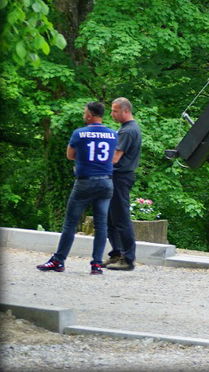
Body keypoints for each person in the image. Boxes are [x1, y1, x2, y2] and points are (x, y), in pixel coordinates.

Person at [36, 101, 117, 274]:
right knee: (101, 225)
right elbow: (113, 157)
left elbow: (70, 155)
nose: (83, 115)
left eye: (84, 112)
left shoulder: (80, 133)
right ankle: (96, 264)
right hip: (106, 182)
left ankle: (59, 260)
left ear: (90, 115)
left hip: (85, 182)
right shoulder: (113, 134)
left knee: (70, 223)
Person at [105, 97, 142, 271]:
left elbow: (114, 158)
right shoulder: (127, 129)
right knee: (110, 219)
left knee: (121, 219)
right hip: (118, 177)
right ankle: (117, 253)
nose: (112, 114)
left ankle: (128, 259)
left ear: (126, 111)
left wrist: (95, 164)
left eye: (115, 111)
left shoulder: (127, 131)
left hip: (120, 177)